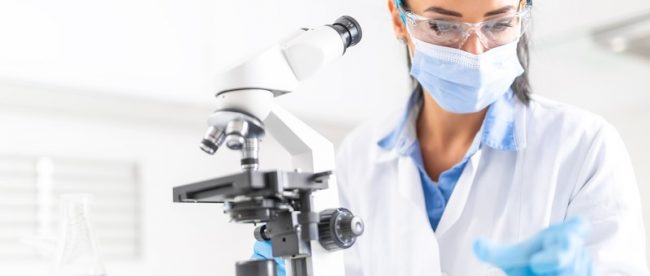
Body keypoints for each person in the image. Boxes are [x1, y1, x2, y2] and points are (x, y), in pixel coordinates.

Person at [255, 0, 649, 275]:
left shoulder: (583, 147)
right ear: (398, 18)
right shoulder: (358, 157)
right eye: (443, 25)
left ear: (523, 15)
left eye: (498, 23)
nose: (475, 52)